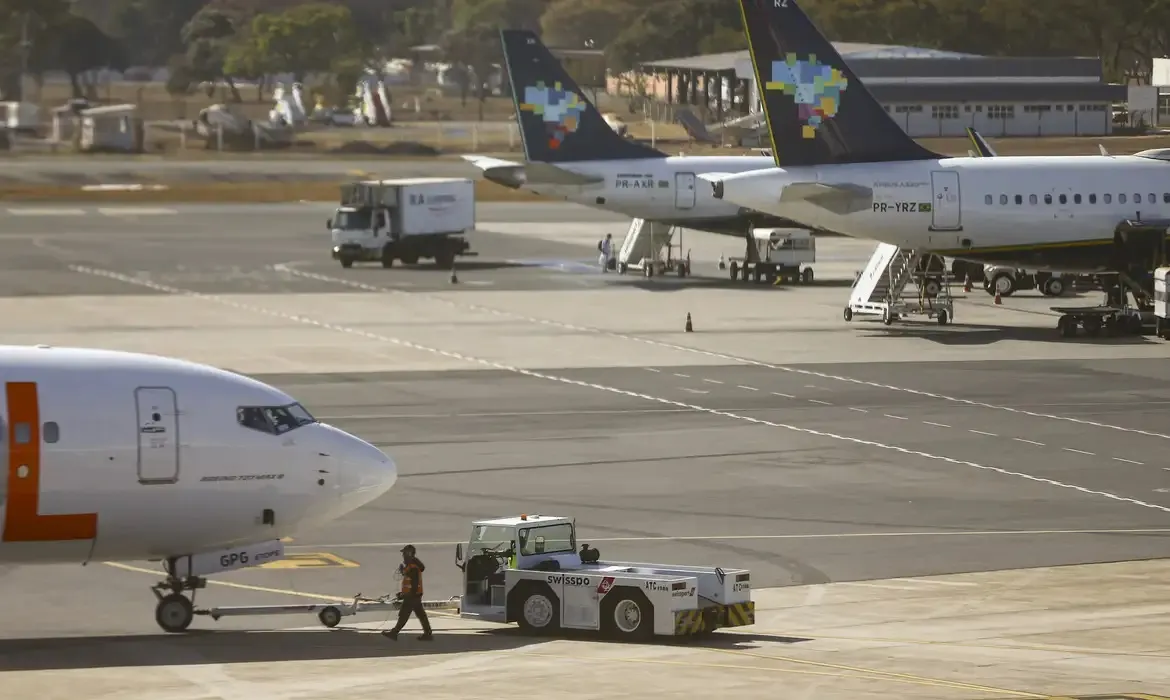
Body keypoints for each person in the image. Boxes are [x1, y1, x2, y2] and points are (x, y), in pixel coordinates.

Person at [382, 545, 433, 641]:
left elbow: (414, 583)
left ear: (409, 554)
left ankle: (394, 633)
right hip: (415, 595)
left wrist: (405, 595)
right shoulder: (412, 566)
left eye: (404, 553)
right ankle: (428, 634)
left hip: (412, 596)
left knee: (404, 614)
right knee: (420, 614)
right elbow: (409, 580)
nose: (403, 555)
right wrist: (403, 593)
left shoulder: (413, 567)